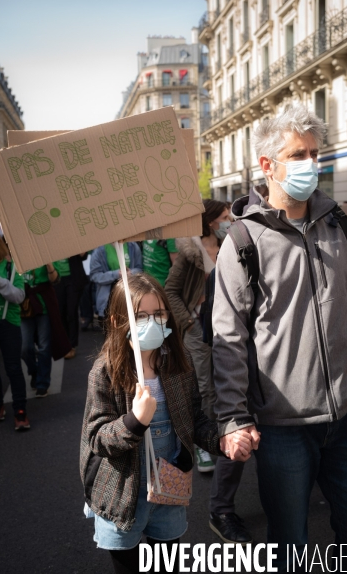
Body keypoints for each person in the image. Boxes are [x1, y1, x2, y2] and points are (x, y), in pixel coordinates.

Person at [212, 105, 347, 573]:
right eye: (297, 154)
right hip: (282, 426)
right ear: (268, 165)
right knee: (291, 547)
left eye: (315, 153)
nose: (311, 163)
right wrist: (232, 417)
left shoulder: (339, 226)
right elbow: (228, 338)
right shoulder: (242, 242)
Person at [80, 272, 231, 574]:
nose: (153, 322)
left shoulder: (177, 362)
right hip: (124, 496)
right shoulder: (106, 372)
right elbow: (96, 437)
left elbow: (195, 420)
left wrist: (222, 439)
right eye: (141, 316)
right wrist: (135, 421)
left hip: (169, 490)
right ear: (117, 321)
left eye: (159, 314)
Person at [165, 199, 230, 473]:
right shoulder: (190, 251)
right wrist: (189, 324)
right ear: (211, 219)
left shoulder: (229, 242)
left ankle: (224, 434)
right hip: (198, 327)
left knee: (228, 380)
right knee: (204, 387)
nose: (229, 220)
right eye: (225, 216)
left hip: (226, 325)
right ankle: (202, 445)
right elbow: (170, 290)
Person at [21, 262, 71, 397]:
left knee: (44, 346)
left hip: (43, 303)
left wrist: (49, 265)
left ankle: (42, 383)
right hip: (24, 304)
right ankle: (34, 372)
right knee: (25, 348)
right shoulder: (16, 255)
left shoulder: (42, 252)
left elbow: (55, 280)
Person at [0, 236, 30, 430]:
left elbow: (19, 296)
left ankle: (20, 411)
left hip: (8, 323)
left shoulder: (11, 267)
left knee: (13, 368)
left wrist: (0, 283)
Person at [90, 242, 142, 328]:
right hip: (108, 299)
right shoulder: (99, 250)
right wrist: (116, 274)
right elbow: (95, 276)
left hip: (129, 296)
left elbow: (139, 269)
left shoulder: (133, 246)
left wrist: (130, 273)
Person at [53, 254, 88, 359]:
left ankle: (72, 345)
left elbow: (83, 255)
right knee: (61, 312)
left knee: (71, 312)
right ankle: (65, 344)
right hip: (57, 278)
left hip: (73, 278)